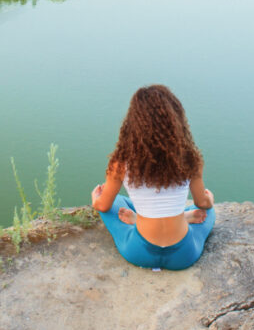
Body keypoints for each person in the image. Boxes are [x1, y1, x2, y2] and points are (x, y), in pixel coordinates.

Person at [91, 85, 215, 271]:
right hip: (184, 255)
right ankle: (182, 217)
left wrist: (95, 199)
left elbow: (103, 206)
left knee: (114, 200)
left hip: (139, 252)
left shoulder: (121, 162)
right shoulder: (190, 159)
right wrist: (209, 198)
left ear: (133, 123)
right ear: (175, 120)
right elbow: (203, 203)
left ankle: (137, 220)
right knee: (208, 212)